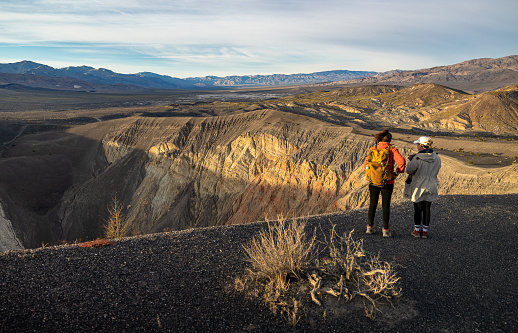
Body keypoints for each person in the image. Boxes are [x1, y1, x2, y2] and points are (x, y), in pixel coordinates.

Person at [363, 129, 406, 237]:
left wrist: (372, 173)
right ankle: (385, 230)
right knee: (385, 205)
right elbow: (401, 162)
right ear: (390, 141)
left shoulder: (373, 149)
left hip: (373, 180)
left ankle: (370, 227)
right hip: (387, 181)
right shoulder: (392, 149)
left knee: (373, 204)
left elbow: (365, 165)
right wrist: (398, 171)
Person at [405, 136, 442, 239]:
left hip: (419, 186)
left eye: (417, 144)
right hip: (431, 184)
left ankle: (417, 231)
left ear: (421, 145)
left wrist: (410, 160)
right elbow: (438, 168)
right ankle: (424, 232)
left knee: (418, 209)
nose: (417, 146)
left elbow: (409, 170)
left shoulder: (417, 158)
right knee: (427, 209)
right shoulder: (437, 157)